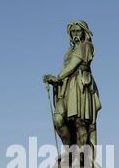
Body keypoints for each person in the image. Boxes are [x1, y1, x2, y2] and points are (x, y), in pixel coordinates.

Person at [43, 21, 101, 150]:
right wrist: (55, 80)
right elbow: (66, 68)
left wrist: (57, 77)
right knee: (58, 120)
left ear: (83, 32)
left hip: (80, 85)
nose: (75, 34)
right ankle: (70, 151)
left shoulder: (86, 46)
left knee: (79, 122)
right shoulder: (69, 50)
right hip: (66, 87)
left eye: (78, 31)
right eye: (73, 31)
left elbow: (72, 65)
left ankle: (82, 155)